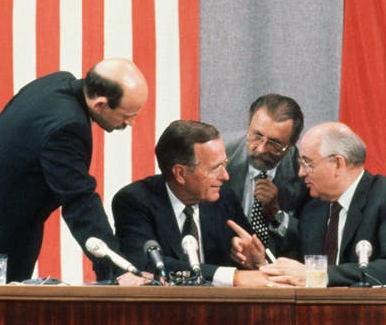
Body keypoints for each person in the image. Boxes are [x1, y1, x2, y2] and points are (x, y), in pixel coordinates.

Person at [0, 58, 149, 284]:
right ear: (100, 104)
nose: (131, 123)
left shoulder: (54, 82)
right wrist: (119, 270)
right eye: (127, 115)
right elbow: (80, 203)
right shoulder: (67, 128)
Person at [233, 122, 386, 287]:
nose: (301, 173)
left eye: (307, 163)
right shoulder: (313, 208)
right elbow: (298, 270)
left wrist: (318, 275)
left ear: (338, 164)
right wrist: (262, 263)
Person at [112, 120, 269, 287]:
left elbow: (250, 261)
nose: (225, 176)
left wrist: (257, 263)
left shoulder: (224, 197)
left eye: (225, 164)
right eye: (215, 168)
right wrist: (232, 277)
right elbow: (144, 265)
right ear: (180, 173)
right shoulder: (134, 201)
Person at [224, 94, 309, 258]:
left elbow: (312, 239)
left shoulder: (305, 174)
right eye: (256, 136)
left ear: (292, 143)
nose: (262, 148)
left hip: (279, 269)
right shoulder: (221, 157)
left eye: (274, 143)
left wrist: (277, 214)